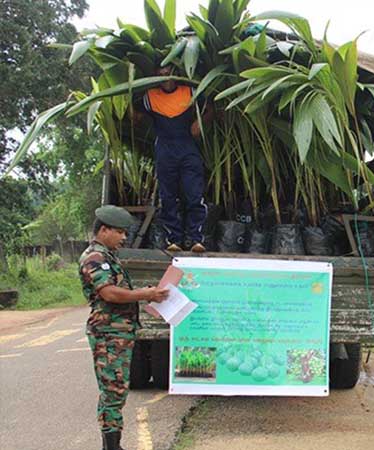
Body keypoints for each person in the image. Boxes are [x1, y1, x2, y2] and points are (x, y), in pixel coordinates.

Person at [79, 205, 169, 450]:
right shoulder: (95, 258)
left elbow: (118, 290)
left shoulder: (107, 256)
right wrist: (144, 293)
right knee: (112, 391)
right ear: (104, 229)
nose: (124, 237)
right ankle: (111, 446)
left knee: (116, 391)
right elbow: (109, 293)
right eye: (119, 232)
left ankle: (112, 445)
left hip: (117, 333)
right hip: (108, 333)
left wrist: (145, 293)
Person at [135, 64, 212, 253]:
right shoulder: (149, 97)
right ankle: (174, 240)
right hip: (164, 149)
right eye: (160, 75)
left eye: (168, 74)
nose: (165, 78)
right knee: (168, 197)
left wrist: (199, 123)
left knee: (194, 194)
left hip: (188, 147)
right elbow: (134, 112)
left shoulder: (190, 91)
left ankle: (196, 239)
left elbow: (210, 107)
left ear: (176, 74)